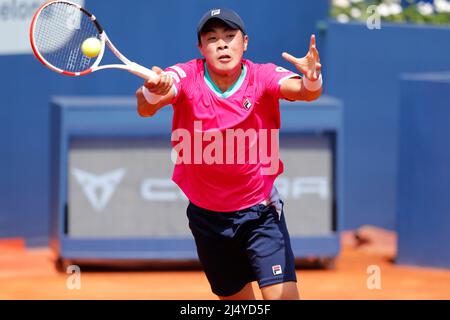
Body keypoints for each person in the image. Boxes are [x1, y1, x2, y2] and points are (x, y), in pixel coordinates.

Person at [135, 8, 322, 300]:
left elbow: (304, 92)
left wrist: (311, 79)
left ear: (245, 43)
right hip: (207, 218)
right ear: (201, 48)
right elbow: (147, 107)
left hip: (260, 213)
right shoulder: (185, 75)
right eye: (212, 38)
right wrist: (152, 91)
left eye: (230, 36)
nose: (222, 44)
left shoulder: (262, 75)